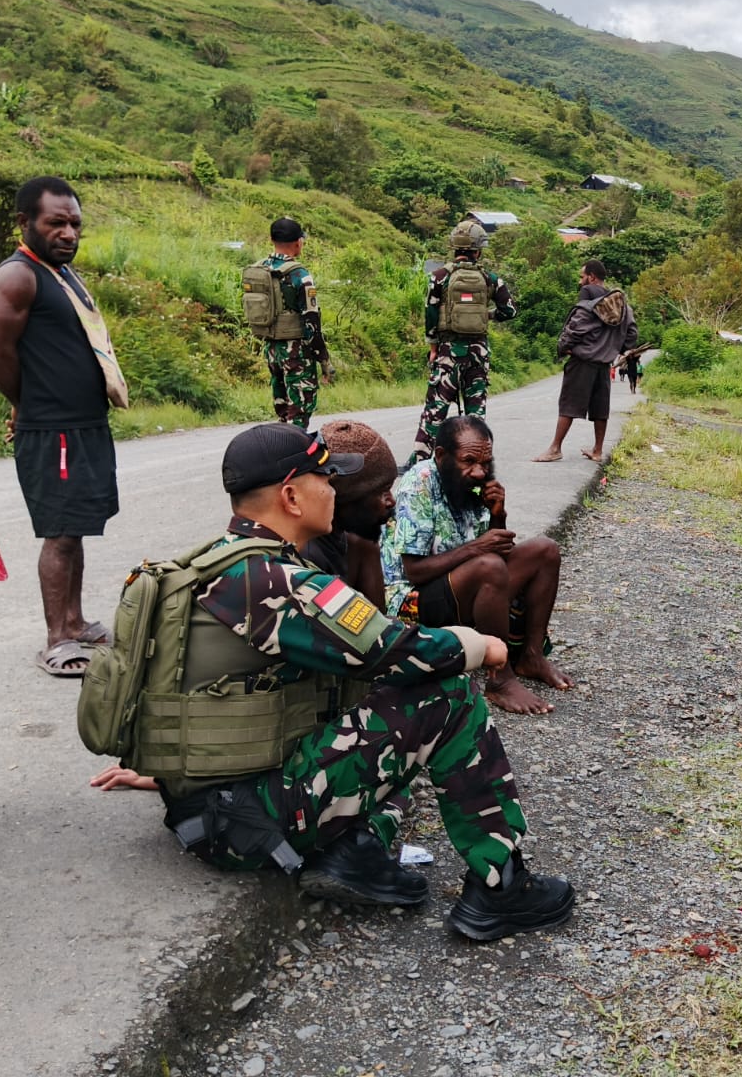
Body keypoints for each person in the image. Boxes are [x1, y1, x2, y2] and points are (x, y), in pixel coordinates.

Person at [145, 421, 574, 940]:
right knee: (449, 696)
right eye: (325, 479)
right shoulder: (276, 582)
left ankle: (353, 851)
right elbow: (392, 649)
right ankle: (500, 888)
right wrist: (483, 647)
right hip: (243, 823)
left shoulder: (219, 562)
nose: (334, 490)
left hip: (214, 810)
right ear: (291, 496)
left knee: (386, 750)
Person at [0, 176, 129, 678]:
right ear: (25, 222)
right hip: (54, 429)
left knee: (77, 529)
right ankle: (57, 639)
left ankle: (77, 621)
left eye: (75, 224)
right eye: (56, 223)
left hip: (83, 424)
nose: (68, 233)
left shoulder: (61, 275)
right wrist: (25, 404)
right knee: (60, 535)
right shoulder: (18, 277)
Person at [383, 415, 572, 716]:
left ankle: (531, 656)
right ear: (442, 455)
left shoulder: (471, 483)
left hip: (462, 586)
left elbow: (493, 551)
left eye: (485, 462)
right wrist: (477, 549)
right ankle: (500, 678)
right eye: (468, 461)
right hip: (413, 602)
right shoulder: (418, 484)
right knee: (488, 566)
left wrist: (498, 515)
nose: (478, 472)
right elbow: (414, 571)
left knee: (545, 550)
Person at [411, 219, 516, 461]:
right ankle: (477, 460)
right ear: (478, 251)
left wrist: (433, 348)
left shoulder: (438, 277)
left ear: (455, 248)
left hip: (448, 351)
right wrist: (486, 314)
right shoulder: (491, 279)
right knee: (475, 412)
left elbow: (431, 314)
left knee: (435, 410)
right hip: (478, 354)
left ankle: (420, 460)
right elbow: (509, 311)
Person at [532, 260, 638, 463]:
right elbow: (632, 334)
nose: (581, 282)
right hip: (604, 364)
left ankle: (555, 448)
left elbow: (574, 329)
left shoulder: (588, 305)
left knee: (569, 405)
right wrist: (615, 347)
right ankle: (597, 451)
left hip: (582, 361)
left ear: (591, 277)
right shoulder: (623, 307)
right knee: (600, 407)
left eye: (582, 277)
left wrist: (564, 347)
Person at [302, 419, 399, 606]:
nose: (391, 501)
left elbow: (380, 628)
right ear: (346, 496)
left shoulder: (358, 544)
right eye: (382, 491)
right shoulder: (307, 558)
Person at [257, 218, 332, 429]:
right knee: (298, 413)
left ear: (272, 239)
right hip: (297, 353)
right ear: (298, 242)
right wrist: (324, 360)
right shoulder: (300, 275)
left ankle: (280, 450)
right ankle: (293, 456)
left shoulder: (260, 269)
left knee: (283, 410)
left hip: (271, 348)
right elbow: (311, 324)